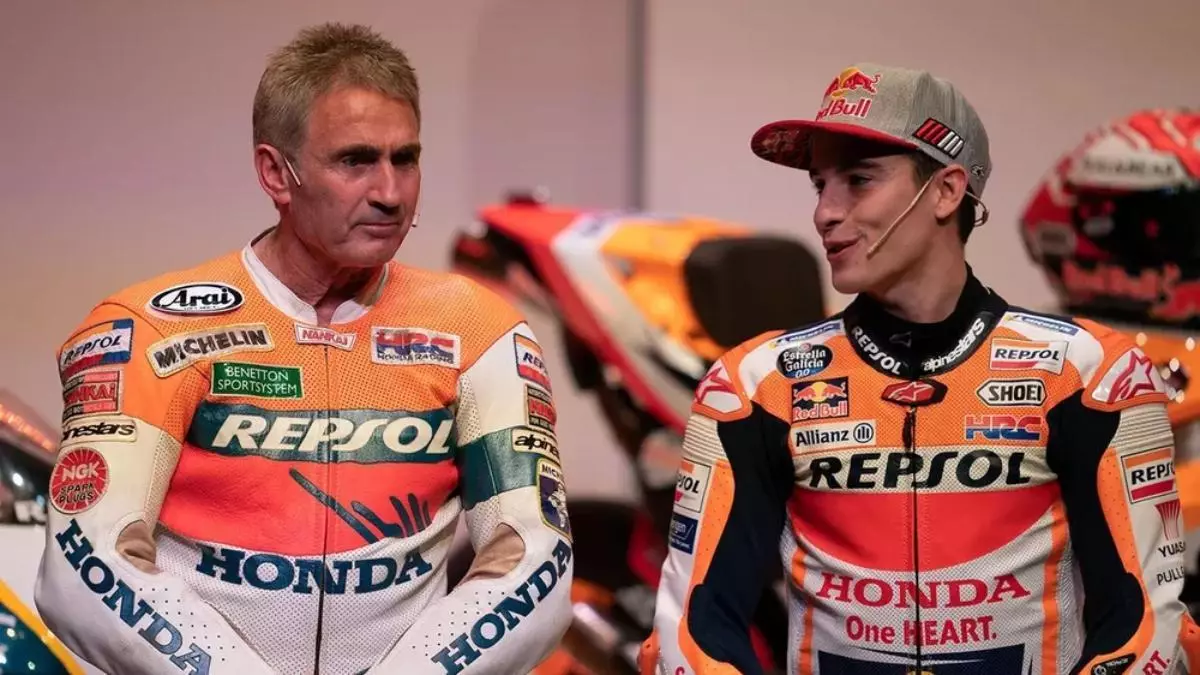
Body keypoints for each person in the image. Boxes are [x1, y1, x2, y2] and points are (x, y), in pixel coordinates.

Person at [35, 22, 573, 675]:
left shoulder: (481, 333)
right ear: (276, 173)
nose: (390, 193)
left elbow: (534, 558)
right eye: (355, 160)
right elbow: (85, 562)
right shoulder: (149, 329)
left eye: (405, 159)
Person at [639, 63, 1198, 674]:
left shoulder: (1090, 374)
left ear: (947, 191)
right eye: (819, 184)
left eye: (858, 180)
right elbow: (692, 631)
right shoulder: (756, 385)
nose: (825, 212)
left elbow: (1147, 625)